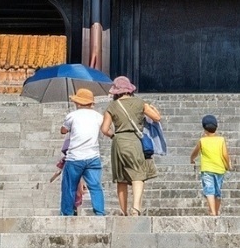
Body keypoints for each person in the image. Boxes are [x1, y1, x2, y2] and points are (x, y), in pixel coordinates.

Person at [101, 76, 162, 217]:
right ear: (129, 89)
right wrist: (153, 108)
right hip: (134, 140)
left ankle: (123, 211)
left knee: (121, 178)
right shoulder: (140, 102)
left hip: (118, 141)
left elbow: (104, 129)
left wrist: (113, 136)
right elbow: (157, 118)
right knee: (138, 174)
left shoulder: (112, 106)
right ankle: (135, 208)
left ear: (116, 91)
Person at [58, 87, 106, 216]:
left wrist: (68, 123)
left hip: (75, 157)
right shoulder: (98, 116)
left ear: (78, 102)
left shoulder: (72, 116)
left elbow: (63, 130)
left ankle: (67, 213)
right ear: (91, 103)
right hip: (93, 157)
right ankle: (100, 213)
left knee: (69, 187)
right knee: (95, 186)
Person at [190, 114, 231, 217]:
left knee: (209, 190)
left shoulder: (202, 141)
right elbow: (225, 154)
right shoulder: (221, 140)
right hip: (220, 169)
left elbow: (195, 152)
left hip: (207, 170)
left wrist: (192, 159)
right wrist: (228, 164)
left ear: (204, 129)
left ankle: (212, 212)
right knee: (217, 191)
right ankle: (216, 211)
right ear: (216, 127)